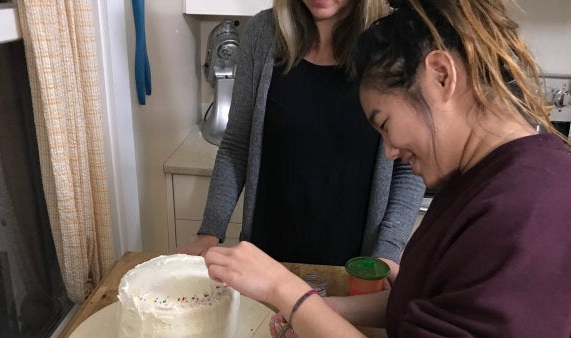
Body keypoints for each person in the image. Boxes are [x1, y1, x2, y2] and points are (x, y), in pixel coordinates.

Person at [203, 0, 571, 338]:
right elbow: (439, 307)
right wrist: (330, 312)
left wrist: (289, 293)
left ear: (441, 76)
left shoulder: (529, 210)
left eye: (384, 124)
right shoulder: (481, 180)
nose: (391, 150)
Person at [174, 0, 425, 271]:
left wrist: (386, 253)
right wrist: (209, 232)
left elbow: (407, 168)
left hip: (353, 267)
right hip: (267, 259)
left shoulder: (394, 39)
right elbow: (236, 145)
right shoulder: (263, 32)